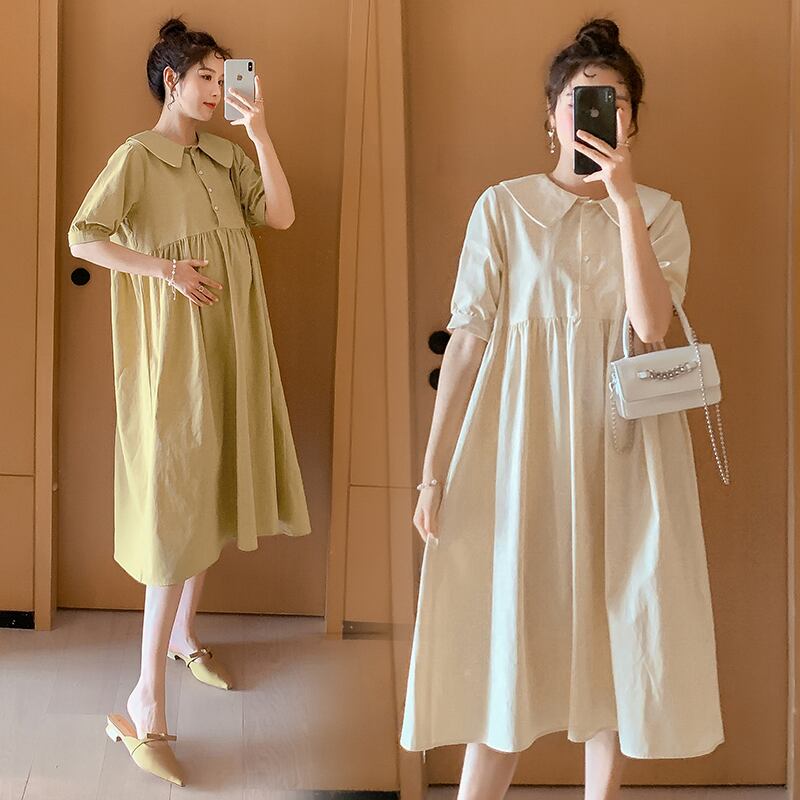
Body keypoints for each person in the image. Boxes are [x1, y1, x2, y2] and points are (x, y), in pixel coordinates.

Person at [400, 18, 724, 800]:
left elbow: (651, 327)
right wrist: (433, 473)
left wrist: (624, 201)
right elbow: (467, 346)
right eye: (580, 100)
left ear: (632, 120)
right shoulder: (503, 209)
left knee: (618, 644)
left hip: (629, 457)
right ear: (551, 115)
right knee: (510, 648)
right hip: (521, 452)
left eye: (612, 102)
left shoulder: (659, 213)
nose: (595, 114)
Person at [67, 16, 311, 786]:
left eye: (221, 77)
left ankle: (182, 635)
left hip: (233, 340)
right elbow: (83, 237)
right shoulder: (137, 157)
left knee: (211, 489)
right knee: (175, 508)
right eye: (204, 76)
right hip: (174, 354)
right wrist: (164, 271)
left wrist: (259, 133)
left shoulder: (225, 154)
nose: (214, 90)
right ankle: (144, 701)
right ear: (171, 81)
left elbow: (280, 216)